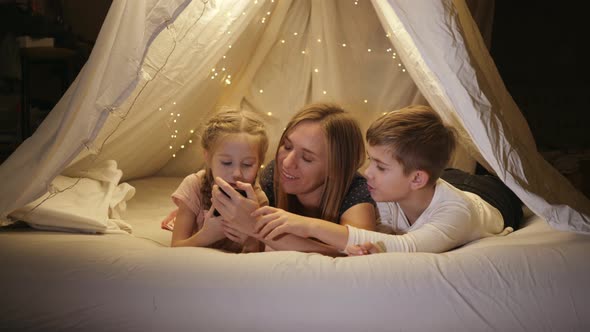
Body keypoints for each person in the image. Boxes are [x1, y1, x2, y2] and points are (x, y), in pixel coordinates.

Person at [252, 105, 522, 255]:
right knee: (439, 178)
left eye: (380, 166)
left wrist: (305, 225)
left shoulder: (455, 214)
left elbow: (406, 246)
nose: (366, 172)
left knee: (484, 185)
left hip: (487, 196)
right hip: (429, 185)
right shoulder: (383, 191)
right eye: (370, 160)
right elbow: (361, 239)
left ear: (416, 178)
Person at [212, 103, 376, 255]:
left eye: (307, 158)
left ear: (336, 169)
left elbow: (357, 257)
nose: (287, 162)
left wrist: (255, 226)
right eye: (287, 146)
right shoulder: (273, 174)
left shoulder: (357, 191)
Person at [162, 108, 269, 253]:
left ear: (260, 162)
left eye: (247, 164)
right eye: (226, 162)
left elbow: (260, 258)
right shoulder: (194, 186)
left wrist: (250, 241)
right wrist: (206, 235)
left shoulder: (258, 199)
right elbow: (176, 248)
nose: (236, 173)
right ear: (207, 157)